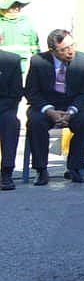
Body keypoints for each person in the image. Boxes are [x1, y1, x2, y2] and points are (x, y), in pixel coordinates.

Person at [22, 30, 84, 185]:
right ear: (52, 51)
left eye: (71, 46)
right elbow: (31, 92)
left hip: (73, 106)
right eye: (63, 49)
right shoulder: (38, 61)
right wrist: (49, 110)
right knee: (36, 122)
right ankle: (41, 170)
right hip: (46, 105)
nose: (69, 52)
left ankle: (76, 168)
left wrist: (71, 111)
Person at [0, 0, 39, 68]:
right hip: (3, 62)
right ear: (6, 7)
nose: (17, 8)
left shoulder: (27, 21)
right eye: (14, 5)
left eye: (19, 5)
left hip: (23, 63)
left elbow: (35, 45)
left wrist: (37, 62)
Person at [0, 49, 20, 190]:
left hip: (3, 107)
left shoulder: (11, 60)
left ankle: (6, 171)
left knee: (11, 122)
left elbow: (15, 93)